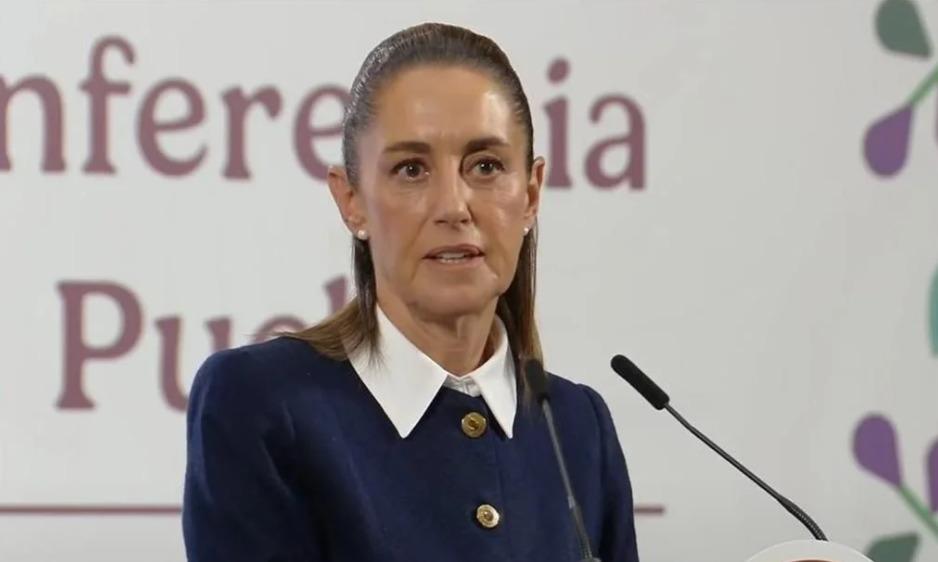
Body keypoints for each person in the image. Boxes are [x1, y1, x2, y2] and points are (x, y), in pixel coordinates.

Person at [182, 22, 640, 562]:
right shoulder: (261, 402)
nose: (453, 206)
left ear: (532, 193)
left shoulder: (578, 427)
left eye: (486, 166)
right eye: (411, 169)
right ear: (351, 201)